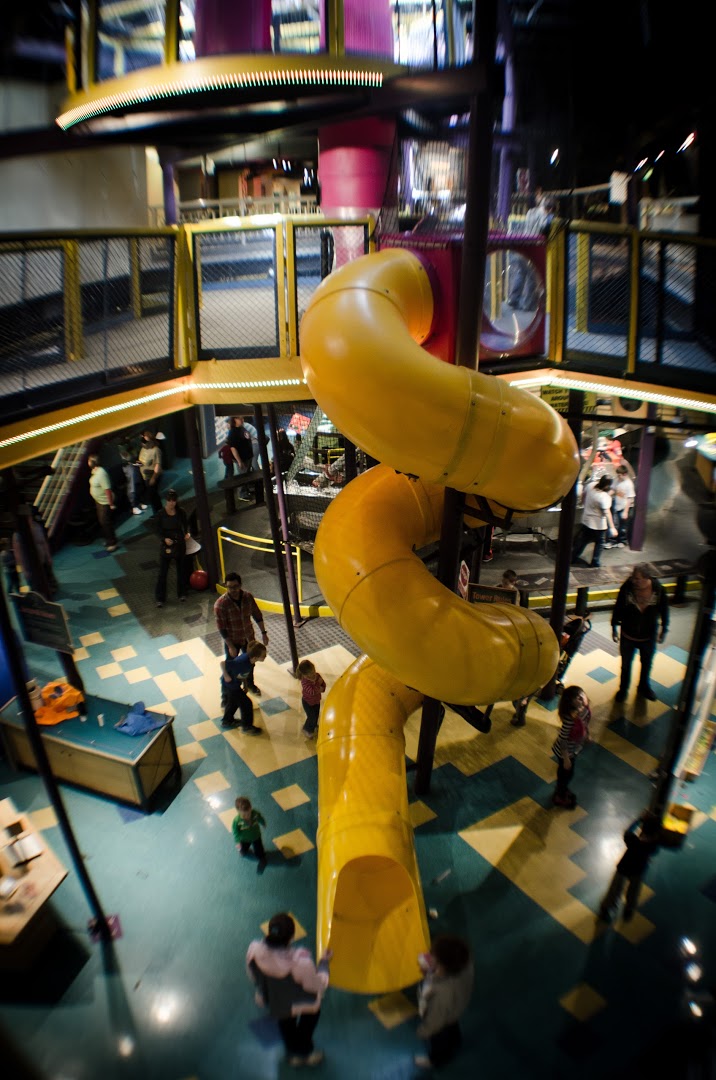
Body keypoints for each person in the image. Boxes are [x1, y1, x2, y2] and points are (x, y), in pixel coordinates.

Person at [246, 912, 331, 1068]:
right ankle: (306, 1053)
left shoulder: (253, 949)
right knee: (306, 1026)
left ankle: (292, 1054)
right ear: (291, 938)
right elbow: (318, 985)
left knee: (286, 1025)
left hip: (276, 1001)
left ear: (269, 931)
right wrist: (324, 964)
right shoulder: (301, 961)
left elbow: (253, 975)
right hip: (303, 1003)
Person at [414, 935, 473, 1071]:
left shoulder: (441, 994)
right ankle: (455, 1042)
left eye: (433, 958)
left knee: (439, 1039)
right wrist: (432, 971)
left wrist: (424, 1031)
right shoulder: (461, 966)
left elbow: (435, 1020)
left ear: (442, 968)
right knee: (452, 1027)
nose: (429, 958)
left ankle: (437, 1060)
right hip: (454, 1010)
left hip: (440, 1019)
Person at [612, 564, 669, 702]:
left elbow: (664, 610)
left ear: (647, 578)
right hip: (628, 635)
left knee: (647, 663)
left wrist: (664, 628)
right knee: (625, 665)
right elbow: (618, 607)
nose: (634, 581)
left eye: (637, 579)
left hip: (648, 637)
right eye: (633, 578)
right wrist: (614, 626)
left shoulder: (658, 591)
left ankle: (644, 687)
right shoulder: (626, 589)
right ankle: (623, 689)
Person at [598, 810, 661, 923]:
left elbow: (627, 831)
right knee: (633, 891)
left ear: (642, 829)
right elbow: (656, 844)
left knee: (615, 889)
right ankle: (629, 910)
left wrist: (639, 819)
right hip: (638, 870)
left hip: (624, 867)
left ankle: (606, 908)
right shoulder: (652, 846)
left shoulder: (633, 841)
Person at [214, 572, 270, 694]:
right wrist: (231, 646)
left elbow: (257, 615)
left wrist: (264, 633)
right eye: (229, 587)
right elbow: (222, 628)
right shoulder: (221, 604)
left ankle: (250, 684)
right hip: (232, 639)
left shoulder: (248, 597)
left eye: (235, 587)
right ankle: (228, 691)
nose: (233, 590)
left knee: (250, 663)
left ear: (240, 585)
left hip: (248, 638)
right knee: (231, 666)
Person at [551, 685, 591, 808]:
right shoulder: (569, 719)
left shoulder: (584, 711)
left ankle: (562, 789)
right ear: (570, 702)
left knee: (569, 773)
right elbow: (563, 739)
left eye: (581, 695)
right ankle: (559, 794)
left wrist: (587, 735)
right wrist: (566, 758)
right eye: (577, 698)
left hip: (574, 748)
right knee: (565, 774)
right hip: (565, 752)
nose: (581, 698)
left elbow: (585, 724)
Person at [571, 474, 617, 568]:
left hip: (587, 520)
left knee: (583, 541)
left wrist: (584, 504)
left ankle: (572, 558)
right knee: (600, 543)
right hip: (598, 525)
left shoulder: (590, 485)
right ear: (607, 486)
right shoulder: (604, 497)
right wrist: (612, 527)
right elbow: (607, 512)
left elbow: (583, 495)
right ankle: (595, 562)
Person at [220, 642, 267, 732]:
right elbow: (223, 664)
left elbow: (243, 674)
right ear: (255, 657)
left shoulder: (250, 662)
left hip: (234, 685)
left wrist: (245, 685)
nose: (265, 656)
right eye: (263, 655)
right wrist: (226, 676)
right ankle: (247, 727)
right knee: (246, 704)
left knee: (233, 702)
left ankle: (227, 721)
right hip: (230, 685)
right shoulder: (241, 662)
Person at [155, 489, 190, 608]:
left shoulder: (181, 512)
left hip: (179, 543)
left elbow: (185, 524)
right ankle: (160, 598)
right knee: (162, 572)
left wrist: (187, 533)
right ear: (166, 501)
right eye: (170, 500)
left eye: (174, 500)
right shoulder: (160, 514)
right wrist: (164, 539)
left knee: (181, 570)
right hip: (167, 544)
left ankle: (182, 593)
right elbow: (158, 530)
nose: (172, 503)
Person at [87, 454, 118, 553]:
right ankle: (109, 539)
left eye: (89, 461)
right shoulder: (95, 471)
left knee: (105, 522)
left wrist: (111, 504)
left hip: (105, 502)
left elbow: (107, 489)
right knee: (102, 522)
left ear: (93, 462)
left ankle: (112, 543)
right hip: (99, 501)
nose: (88, 462)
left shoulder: (101, 473)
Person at [296, 658, 326, 738]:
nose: (314, 674)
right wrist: (318, 684)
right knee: (311, 717)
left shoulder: (317, 675)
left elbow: (323, 684)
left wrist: (322, 688)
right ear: (305, 675)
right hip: (307, 702)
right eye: (311, 674)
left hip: (316, 701)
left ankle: (314, 725)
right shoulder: (304, 682)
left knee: (316, 714)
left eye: (314, 671)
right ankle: (306, 729)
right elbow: (312, 691)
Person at [232, 795, 266, 863]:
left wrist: (263, 822)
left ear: (251, 808)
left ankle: (260, 855)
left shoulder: (255, 814)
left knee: (260, 852)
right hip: (244, 839)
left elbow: (259, 818)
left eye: (248, 814)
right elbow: (235, 832)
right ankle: (243, 852)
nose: (247, 817)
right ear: (238, 812)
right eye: (244, 815)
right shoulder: (237, 821)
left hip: (256, 837)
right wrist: (237, 841)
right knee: (243, 850)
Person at [609, 464, 636, 547]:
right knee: (615, 524)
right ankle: (613, 541)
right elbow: (613, 489)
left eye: (620, 475)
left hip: (624, 507)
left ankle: (622, 541)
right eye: (618, 475)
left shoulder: (629, 484)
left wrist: (626, 511)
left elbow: (630, 498)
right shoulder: (617, 480)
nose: (618, 477)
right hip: (617, 505)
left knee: (623, 526)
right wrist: (606, 495)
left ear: (625, 474)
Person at [137, 430, 163, 514]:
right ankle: (157, 512)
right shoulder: (143, 448)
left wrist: (153, 478)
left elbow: (157, 465)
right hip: (144, 476)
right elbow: (141, 460)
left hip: (152, 476)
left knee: (153, 495)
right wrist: (139, 463)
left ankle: (159, 512)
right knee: (152, 496)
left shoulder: (156, 450)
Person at [119, 437, 145, 515]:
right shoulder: (120, 447)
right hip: (128, 467)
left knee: (138, 485)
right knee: (132, 487)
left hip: (134, 465)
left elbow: (134, 454)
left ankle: (139, 503)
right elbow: (128, 457)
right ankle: (134, 507)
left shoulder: (130, 444)